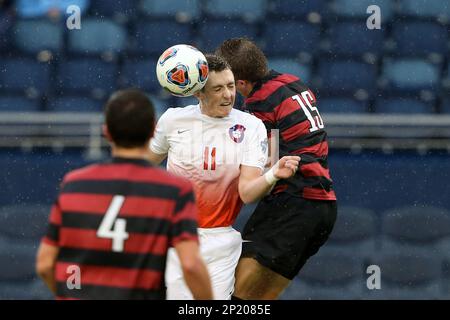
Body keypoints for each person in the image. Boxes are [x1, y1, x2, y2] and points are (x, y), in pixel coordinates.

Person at [147, 54, 300, 300]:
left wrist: (273, 174)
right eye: (218, 89)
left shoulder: (252, 127)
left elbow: (247, 193)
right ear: (198, 93)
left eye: (230, 86)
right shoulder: (173, 120)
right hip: (178, 236)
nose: (228, 95)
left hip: (221, 241)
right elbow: (140, 165)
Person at [35, 89, 213, 300]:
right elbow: (191, 265)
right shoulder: (174, 191)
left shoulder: (74, 184)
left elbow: (45, 265)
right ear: (152, 131)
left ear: (106, 131)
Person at [216, 38, 338, 300]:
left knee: (233, 294)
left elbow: (265, 163)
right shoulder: (293, 82)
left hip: (294, 206)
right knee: (256, 299)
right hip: (321, 207)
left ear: (240, 83)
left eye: (227, 83)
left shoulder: (260, 103)